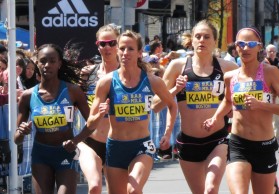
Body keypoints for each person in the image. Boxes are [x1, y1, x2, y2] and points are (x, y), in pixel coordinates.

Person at [204, 27, 279, 194]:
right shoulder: (230, 76)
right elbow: (227, 100)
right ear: (235, 47)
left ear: (259, 47)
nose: (245, 48)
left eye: (251, 44)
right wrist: (215, 117)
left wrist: (261, 105)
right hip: (238, 144)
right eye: (241, 44)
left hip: (265, 146)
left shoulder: (270, 72)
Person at [86, 30, 178, 194]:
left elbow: (171, 104)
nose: (125, 53)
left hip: (142, 146)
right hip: (115, 147)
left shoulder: (152, 81)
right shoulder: (106, 82)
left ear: (140, 53)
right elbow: (90, 123)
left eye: (130, 49)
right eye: (122, 48)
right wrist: (100, 114)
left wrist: (168, 132)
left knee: (133, 190)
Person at [152, 19, 238, 194]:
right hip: (188, 142)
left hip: (217, 139)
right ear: (191, 40)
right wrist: (176, 88)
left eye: (207, 37)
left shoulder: (228, 67)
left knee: (211, 189)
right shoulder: (178, 67)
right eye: (197, 36)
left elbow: (240, 100)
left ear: (215, 41)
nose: (202, 40)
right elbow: (155, 105)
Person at [14, 44, 108, 194]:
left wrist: (76, 140)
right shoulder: (28, 96)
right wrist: (22, 131)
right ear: (36, 63)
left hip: (66, 152)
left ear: (59, 64)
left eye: (52, 61)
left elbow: (91, 124)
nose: (47, 65)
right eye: (43, 61)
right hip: (41, 155)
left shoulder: (73, 91)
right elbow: (16, 139)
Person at [77, 24, 120, 194]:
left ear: (118, 44)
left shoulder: (126, 73)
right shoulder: (88, 72)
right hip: (91, 140)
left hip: (117, 142)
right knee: (94, 186)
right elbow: (77, 100)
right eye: (103, 44)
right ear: (97, 45)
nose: (107, 47)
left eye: (112, 43)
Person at [264, 44, 279, 147]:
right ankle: (272, 140)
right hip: (268, 94)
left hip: (278, 93)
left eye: (274, 51)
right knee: (270, 118)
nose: (272, 53)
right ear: (266, 52)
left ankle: (278, 140)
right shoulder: (264, 63)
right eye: (270, 51)